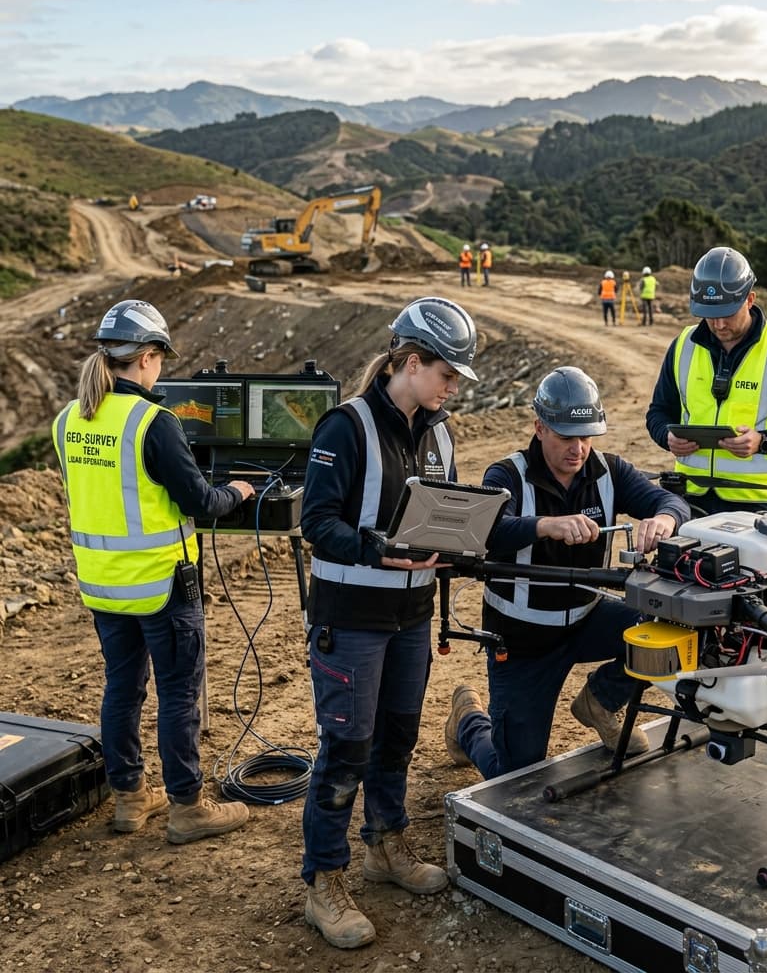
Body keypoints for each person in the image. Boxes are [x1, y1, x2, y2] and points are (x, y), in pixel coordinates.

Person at [300, 296, 479, 950]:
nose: (452, 388)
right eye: (447, 374)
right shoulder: (345, 428)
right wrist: (382, 547)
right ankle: (324, 881)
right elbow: (316, 524)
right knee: (346, 746)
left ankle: (385, 843)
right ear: (409, 362)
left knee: (398, 736)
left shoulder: (439, 432)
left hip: (411, 617)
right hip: (351, 618)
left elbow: (446, 511)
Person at [51, 299, 254, 845]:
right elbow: (201, 502)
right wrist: (238, 490)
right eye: (160, 357)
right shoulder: (153, 422)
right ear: (147, 357)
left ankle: (130, 799)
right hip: (163, 585)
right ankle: (188, 807)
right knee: (178, 693)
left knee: (122, 688)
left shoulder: (68, 419)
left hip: (103, 585)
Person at [444, 366, 689, 780]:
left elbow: (671, 503)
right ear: (539, 427)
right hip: (522, 639)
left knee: (675, 620)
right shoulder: (506, 475)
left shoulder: (609, 470)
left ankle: (601, 697)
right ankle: (468, 723)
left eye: (586, 437)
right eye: (565, 437)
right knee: (516, 777)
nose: (578, 449)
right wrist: (544, 525)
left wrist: (665, 520)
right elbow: (485, 532)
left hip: (587, 619)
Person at [646, 246, 767, 516]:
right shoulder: (683, 345)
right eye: (709, 314)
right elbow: (658, 412)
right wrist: (667, 437)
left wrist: (763, 441)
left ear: (750, 299)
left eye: (727, 313)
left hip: (757, 504)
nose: (718, 325)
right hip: (690, 497)